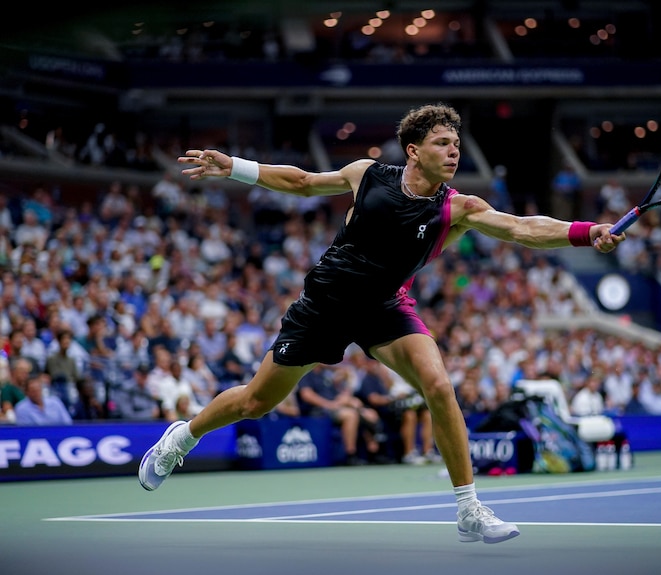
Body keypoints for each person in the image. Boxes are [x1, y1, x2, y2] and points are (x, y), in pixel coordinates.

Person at [138, 102, 624, 544]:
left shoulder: (458, 207)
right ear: (414, 150)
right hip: (325, 303)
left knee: (438, 384)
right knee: (255, 402)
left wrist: (585, 233)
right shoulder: (367, 174)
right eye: (442, 143)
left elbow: (522, 228)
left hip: (384, 307)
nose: (453, 152)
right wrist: (236, 169)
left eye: (456, 144)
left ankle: (468, 507)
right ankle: (183, 436)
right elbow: (302, 182)